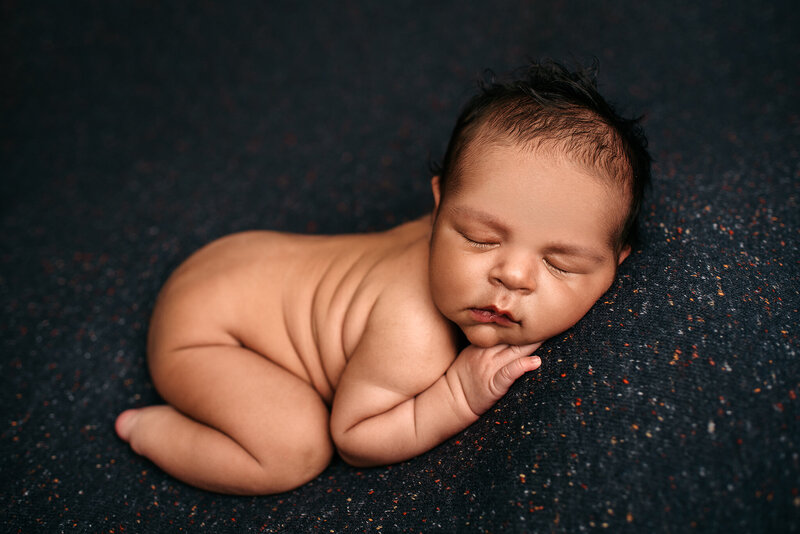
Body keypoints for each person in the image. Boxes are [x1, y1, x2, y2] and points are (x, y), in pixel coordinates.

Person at [115, 60, 651, 495]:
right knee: (293, 448)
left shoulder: (470, 228)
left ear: (617, 263)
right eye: (480, 238)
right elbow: (355, 436)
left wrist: (477, 239)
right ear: (439, 207)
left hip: (242, 260)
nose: (511, 273)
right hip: (206, 334)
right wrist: (458, 395)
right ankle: (149, 431)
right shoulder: (412, 330)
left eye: (561, 264)